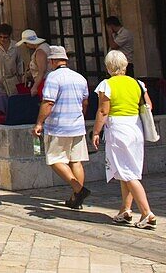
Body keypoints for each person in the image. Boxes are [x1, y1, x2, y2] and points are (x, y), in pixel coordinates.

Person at [92, 50, 156, 228]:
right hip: (136, 127)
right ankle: (125, 209)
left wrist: (96, 132)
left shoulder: (107, 84)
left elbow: (103, 111)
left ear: (108, 67)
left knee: (128, 172)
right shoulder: (138, 83)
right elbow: (149, 105)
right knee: (126, 169)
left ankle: (146, 212)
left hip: (118, 128)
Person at [33, 45, 91, 209]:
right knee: (76, 161)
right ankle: (76, 198)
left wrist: (39, 123)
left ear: (52, 61)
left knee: (54, 159)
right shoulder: (80, 78)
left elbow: (48, 102)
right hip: (77, 125)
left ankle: (79, 190)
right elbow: (85, 103)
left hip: (58, 126)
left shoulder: (53, 77)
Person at [17, 29, 50, 96]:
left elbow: (42, 71)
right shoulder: (45, 47)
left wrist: (35, 87)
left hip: (44, 83)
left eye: (25, 43)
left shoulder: (40, 51)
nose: (26, 46)